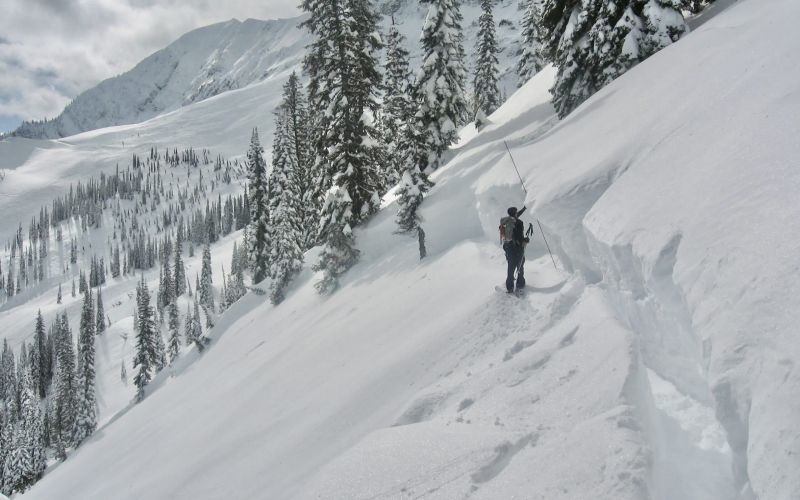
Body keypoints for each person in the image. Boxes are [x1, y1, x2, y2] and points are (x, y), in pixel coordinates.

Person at [501, 206, 528, 293]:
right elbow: (519, 237)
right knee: (520, 266)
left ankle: (510, 287)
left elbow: (516, 216)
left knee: (510, 267)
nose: (517, 213)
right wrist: (525, 240)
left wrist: (524, 209)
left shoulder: (506, 221)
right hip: (517, 248)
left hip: (508, 248)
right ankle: (520, 284)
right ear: (514, 213)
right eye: (516, 212)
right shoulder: (519, 222)